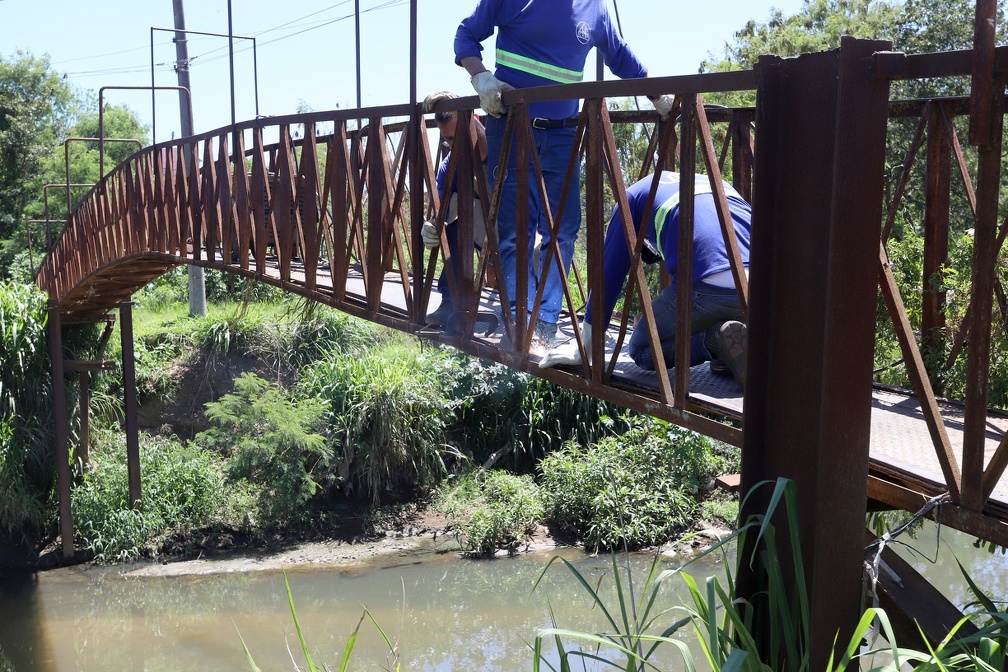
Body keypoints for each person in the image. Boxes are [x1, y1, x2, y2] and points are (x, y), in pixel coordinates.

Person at [454, 0, 674, 348]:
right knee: (514, 231)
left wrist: (659, 97)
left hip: (562, 133)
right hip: (511, 126)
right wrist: (480, 76)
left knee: (564, 228)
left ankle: (543, 324)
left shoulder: (594, 9)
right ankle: (518, 325)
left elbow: (620, 56)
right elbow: (466, 36)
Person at [539, 171, 751, 390]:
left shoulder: (630, 198)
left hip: (707, 288)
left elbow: (608, 278)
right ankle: (735, 346)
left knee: (642, 350)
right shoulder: (717, 183)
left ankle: (715, 341)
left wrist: (587, 345)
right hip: (762, 290)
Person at [420, 91, 491, 326]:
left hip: (515, 230)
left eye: (458, 136)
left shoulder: (499, 146)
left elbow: (484, 148)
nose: (453, 145)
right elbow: (442, 209)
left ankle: (527, 319)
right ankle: (450, 304)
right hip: (481, 230)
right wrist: (431, 226)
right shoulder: (448, 167)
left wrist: (462, 107)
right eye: (448, 140)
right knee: (454, 224)